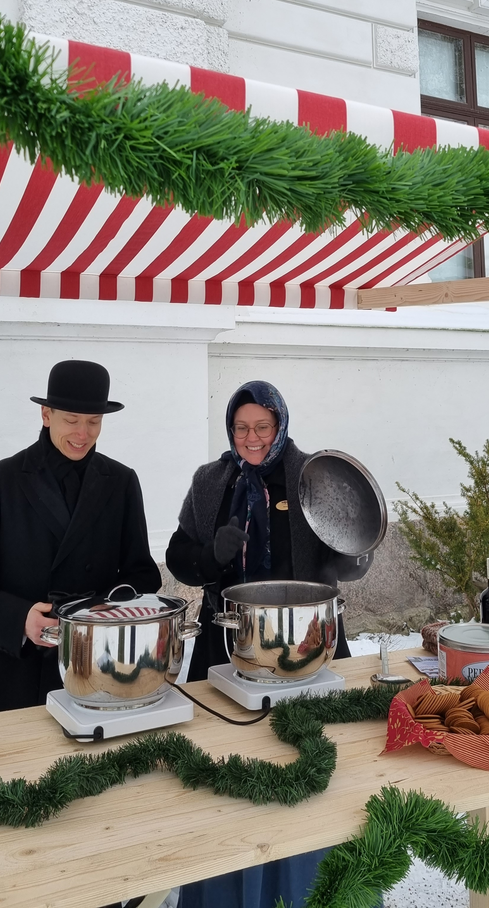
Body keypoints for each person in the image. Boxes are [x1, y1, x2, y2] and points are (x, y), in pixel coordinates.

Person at [165, 380, 358, 908]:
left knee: (311, 767)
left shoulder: (311, 474)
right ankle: (228, 891)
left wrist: (351, 556)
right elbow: (179, 556)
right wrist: (210, 554)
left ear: (280, 425)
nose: (251, 437)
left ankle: (312, 891)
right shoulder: (211, 481)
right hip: (228, 642)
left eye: (262, 426)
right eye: (241, 427)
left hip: (306, 644)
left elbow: (346, 545)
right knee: (227, 769)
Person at [0, 359, 161, 714]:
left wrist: (99, 615)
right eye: (72, 420)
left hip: (96, 670)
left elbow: (142, 575)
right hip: (16, 672)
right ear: (46, 415)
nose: (83, 434)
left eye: (94, 422)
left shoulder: (122, 482)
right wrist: (20, 620)